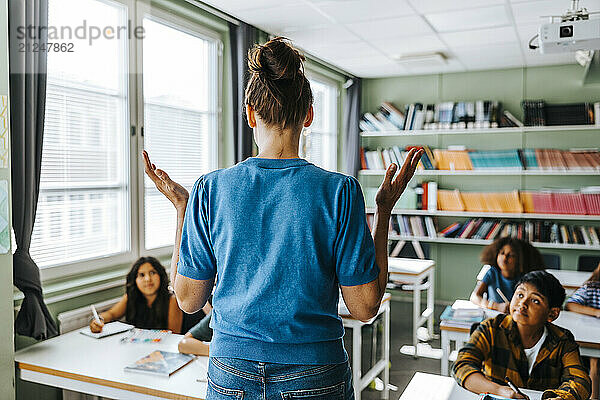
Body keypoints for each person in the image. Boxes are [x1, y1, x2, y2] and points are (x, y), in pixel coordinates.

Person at [143, 36, 422, 399]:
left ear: (249, 113)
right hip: (316, 370)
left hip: (231, 369)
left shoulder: (209, 190)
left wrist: (183, 208)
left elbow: (188, 300)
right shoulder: (340, 191)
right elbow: (365, 306)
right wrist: (383, 212)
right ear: (308, 114)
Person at [454, 270, 591, 400]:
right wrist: (501, 391)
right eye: (520, 295)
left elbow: (580, 380)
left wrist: (562, 397)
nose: (522, 304)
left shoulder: (562, 340)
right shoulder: (491, 328)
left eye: (535, 301)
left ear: (552, 314)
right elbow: (462, 365)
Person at [89, 256, 183, 334]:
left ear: (161, 276)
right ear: (135, 280)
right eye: (142, 275)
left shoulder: (172, 300)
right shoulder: (131, 297)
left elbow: (174, 335)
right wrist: (99, 320)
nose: (147, 279)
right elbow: (112, 314)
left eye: (152, 273)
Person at [470, 237, 545, 313]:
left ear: (520, 260)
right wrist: (496, 306)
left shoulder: (525, 278)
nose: (504, 257)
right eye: (502, 253)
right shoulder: (492, 272)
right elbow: (474, 297)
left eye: (511, 255)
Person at [566, 262, 600, 399]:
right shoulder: (592, 287)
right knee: (595, 361)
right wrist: (596, 312)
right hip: (593, 337)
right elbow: (571, 305)